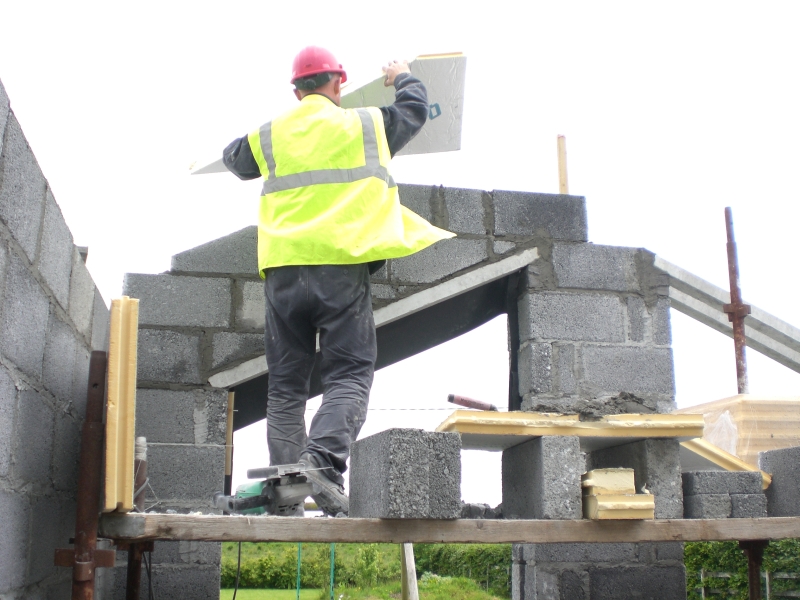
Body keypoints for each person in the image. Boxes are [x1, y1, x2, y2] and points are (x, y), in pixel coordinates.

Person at [222, 46, 453, 516]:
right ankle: (321, 466)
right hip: (340, 268)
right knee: (348, 373)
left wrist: (277, 133)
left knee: (285, 387)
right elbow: (413, 111)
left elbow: (233, 158)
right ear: (338, 83)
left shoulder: (271, 134)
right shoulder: (364, 125)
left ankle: (286, 493)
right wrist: (402, 75)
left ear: (296, 90)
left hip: (284, 272)